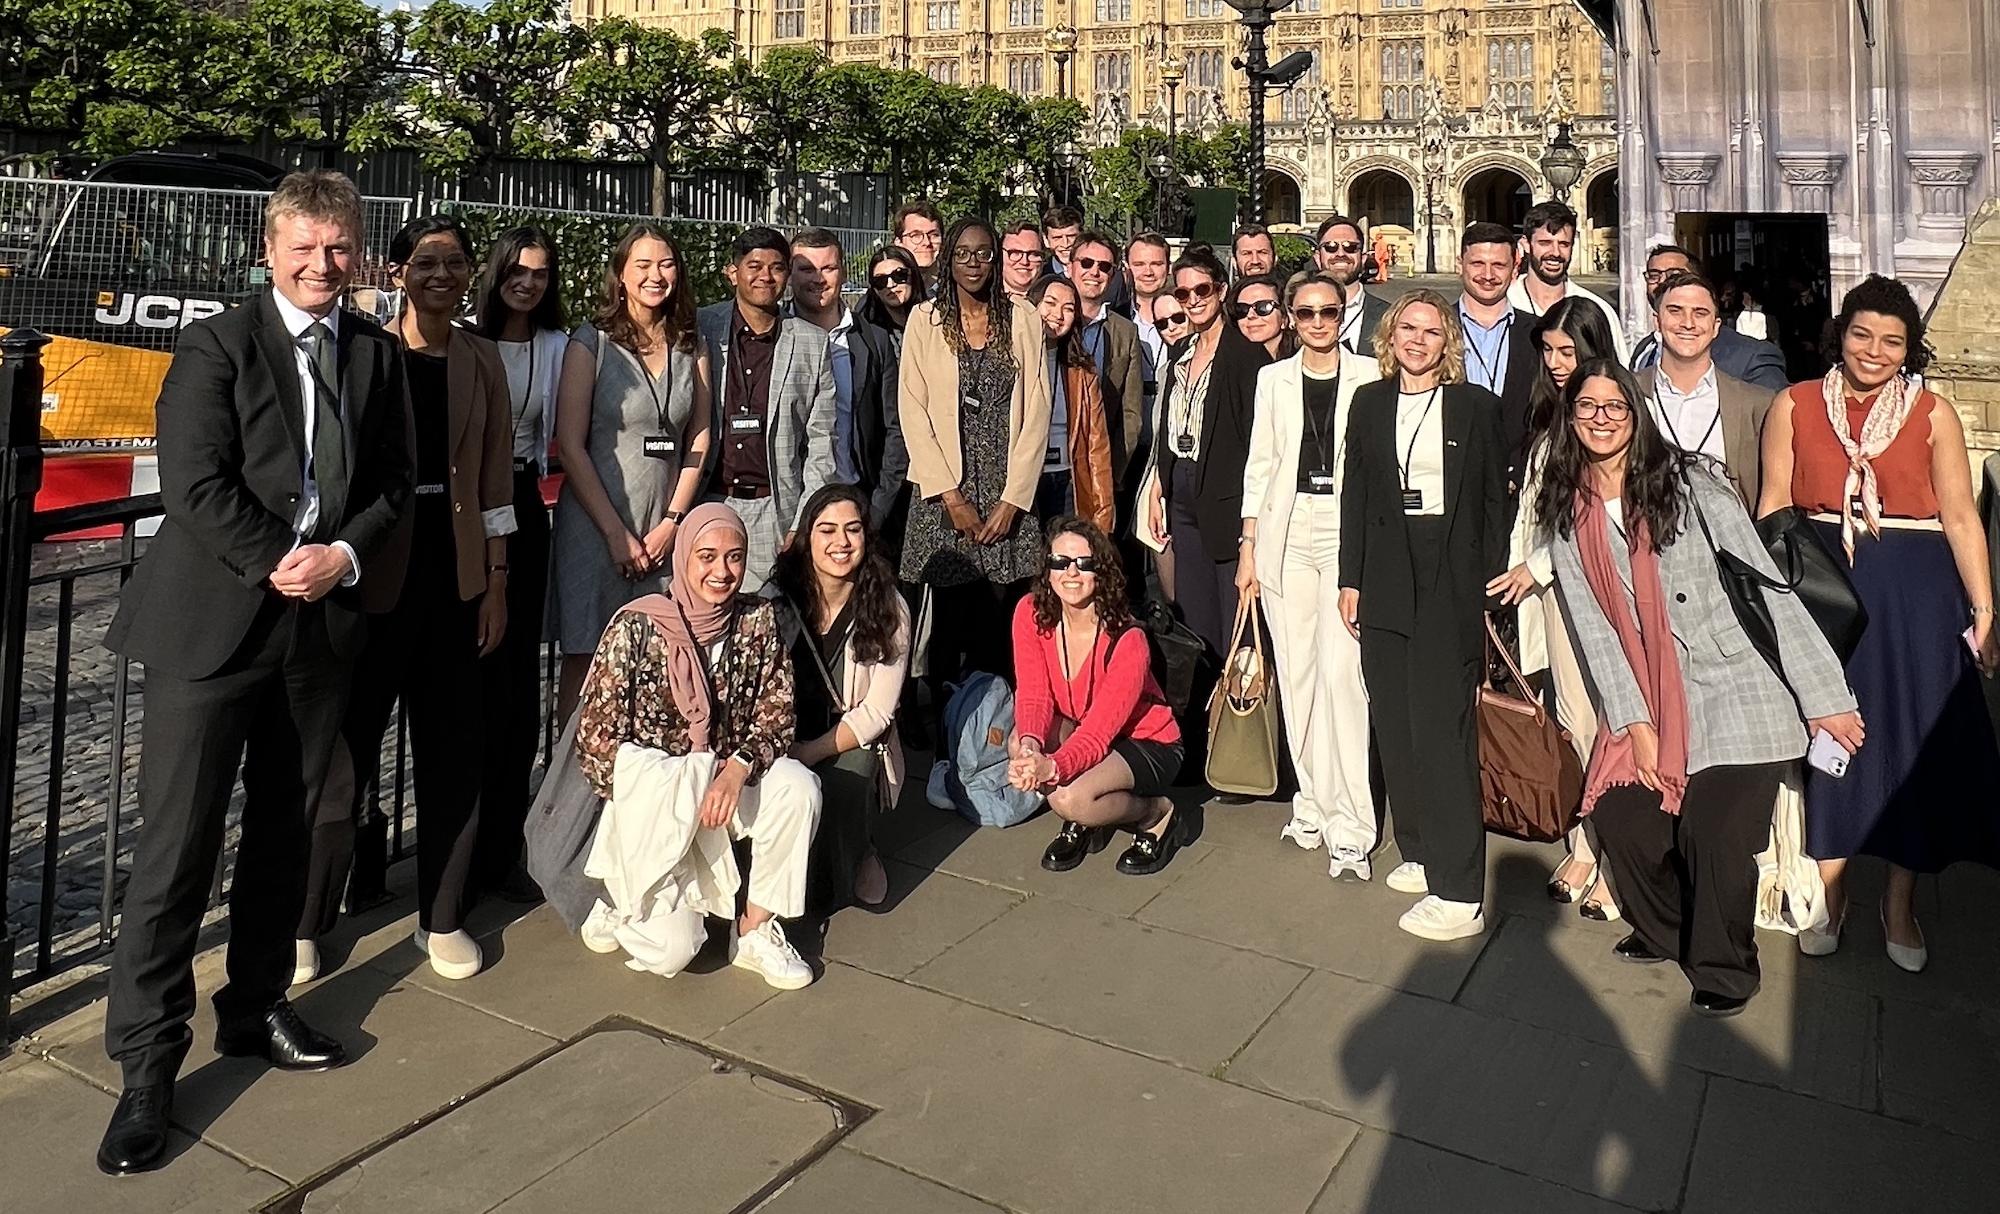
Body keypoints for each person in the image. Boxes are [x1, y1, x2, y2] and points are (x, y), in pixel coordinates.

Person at [97, 170, 411, 1176]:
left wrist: (344, 556)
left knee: (286, 832)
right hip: (212, 631)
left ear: (358, 250)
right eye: (305, 247)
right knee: (175, 850)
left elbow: (394, 480)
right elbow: (192, 478)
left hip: (315, 635)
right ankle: (147, 1062)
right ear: (271, 249)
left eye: (340, 247)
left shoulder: (372, 351)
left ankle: (255, 1004)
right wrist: (285, 556)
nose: (323, 265)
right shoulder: (216, 342)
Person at [1539, 360, 1862, 1017]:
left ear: (1636, 414)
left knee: (1711, 830)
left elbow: (1765, 589)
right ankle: (1674, 932)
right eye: (1588, 408)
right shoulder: (1566, 510)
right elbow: (1599, 636)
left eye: (1615, 407)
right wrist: (1638, 726)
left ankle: (1725, 968)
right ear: (1571, 420)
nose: (1602, 419)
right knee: (1621, 819)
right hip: (1654, 698)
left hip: (1736, 687)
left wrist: (1828, 697)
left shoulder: (1692, 484)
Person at [1759, 275, 2000, 973]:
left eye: (1892, 340)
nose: (1875, 350)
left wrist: (1985, 612)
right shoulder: (1795, 403)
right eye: (1862, 334)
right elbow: (1775, 508)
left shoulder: (1933, 414)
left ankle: (1900, 902)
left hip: (1918, 595)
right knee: (1829, 735)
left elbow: (1959, 517)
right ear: (1841, 334)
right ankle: (1832, 894)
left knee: (1907, 745)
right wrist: (1769, 604)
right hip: (1824, 588)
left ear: (1908, 350)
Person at [297, 213, 514, 981]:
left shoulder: (482, 358)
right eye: (426, 261)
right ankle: (306, 921)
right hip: (368, 582)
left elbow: (495, 480)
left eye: (456, 263)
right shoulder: (365, 352)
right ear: (397, 272)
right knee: (339, 763)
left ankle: (441, 914)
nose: (443, 274)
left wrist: (495, 579)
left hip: (453, 583)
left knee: (455, 754)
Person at [573, 503, 821, 989]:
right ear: (683, 558)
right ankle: (620, 907)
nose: (721, 572)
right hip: (657, 808)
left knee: (797, 786)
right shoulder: (637, 627)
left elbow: (778, 711)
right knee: (673, 951)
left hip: (724, 794)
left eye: (734, 557)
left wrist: (735, 770)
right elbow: (596, 744)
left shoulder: (757, 622)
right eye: (706, 556)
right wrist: (682, 782)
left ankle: (754, 929)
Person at [1337, 289, 1509, 941]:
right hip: (1384, 571)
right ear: (1390, 337)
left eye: (1431, 331)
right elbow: (1355, 490)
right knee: (1396, 719)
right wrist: (1350, 576)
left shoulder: (1475, 407)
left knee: (1442, 728)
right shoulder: (1369, 402)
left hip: (1449, 574)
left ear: (1448, 343)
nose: (1417, 340)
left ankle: (1460, 891)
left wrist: (1486, 585)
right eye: (1407, 328)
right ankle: (1419, 846)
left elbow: (1495, 502)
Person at [1239, 272, 1383, 878]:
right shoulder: (1272, 379)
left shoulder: (1371, 377)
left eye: (1328, 311)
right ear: (1292, 318)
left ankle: (1353, 824)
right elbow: (1261, 462)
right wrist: (1249, 547)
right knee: (1296, 674)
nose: (1318, 321)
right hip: (1286, 530)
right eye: (1307, 312)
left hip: (1345, 531)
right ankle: (1313, 802)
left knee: (1344, 677)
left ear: (1343, 313)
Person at [1488, 298, 1622, 920]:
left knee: (1606, 723)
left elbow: (1600, 516)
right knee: (1572, 721)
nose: (1558, 362)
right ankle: (1584, 843)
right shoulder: (1551, 415)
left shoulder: (1606, 417)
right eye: (1549, 350)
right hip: (1549, 597)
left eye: (1570, 350)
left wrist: (1534, 568)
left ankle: (1612, 858)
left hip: (1595, 593)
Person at [551, 224, 712, 723]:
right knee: (586, 657)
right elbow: (572, 447)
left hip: (664, 529)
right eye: (642, 265)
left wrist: (672, 522)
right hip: (596, 528)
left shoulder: (693, 344)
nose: (655, 275)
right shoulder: (591, 343)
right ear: (620, 276)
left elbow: (700, 439)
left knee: (659, 657)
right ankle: (569, 788)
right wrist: (617, 535)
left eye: (665, 264)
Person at [899, 217, 1053, 728]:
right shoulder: (924, 320)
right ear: (949, 260)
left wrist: (1014, 499)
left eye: (984, 254)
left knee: (1008, 622)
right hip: (946, 493)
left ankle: (1004, 734)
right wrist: (951, 497)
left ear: (997, 259)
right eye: (963, 253)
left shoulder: (1025, 319)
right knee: (946, 622)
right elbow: (912, 409)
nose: (973, 263)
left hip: (1008, 488)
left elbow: (1038, 407)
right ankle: (945, 741)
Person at [469, 224, 568, 903]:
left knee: (515, 691)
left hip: (524, 509)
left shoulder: (556, 348)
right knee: (462, 684)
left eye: (540, 272)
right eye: (518, 269)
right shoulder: (466, 342)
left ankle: (505, 847)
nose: (528, 280)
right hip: (461, 513)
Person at [1009, 518, 1190, 874]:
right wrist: (1031, 747)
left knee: (1069, 797)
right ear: (1047, 570)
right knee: (1019, 743)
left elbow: (1098, 733)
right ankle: (1089, 817)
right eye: (1060, 562)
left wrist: (1054, 767)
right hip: (1083, 729)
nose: (1071, 573)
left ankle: (1155, 813)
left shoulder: (1128, 639)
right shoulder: (1030, 613)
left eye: (1084, 563)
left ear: (1101, 572)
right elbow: (1032, 695)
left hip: (1146, 741)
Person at [772, 485, 910, 915]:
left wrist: (809, 752)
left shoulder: (889, 607)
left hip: (849, 734)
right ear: (806, 537)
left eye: (853, 530)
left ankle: (862, 850)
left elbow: (877, 712)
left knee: (848, 776)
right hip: (784, 727)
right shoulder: (778, 599)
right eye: (827, 530)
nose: (841, 542)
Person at [697, 226, 838, 595]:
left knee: (772, 627)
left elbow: (821, 444)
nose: (765, 276)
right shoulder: (700, 328)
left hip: (775, 511)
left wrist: (803, 520)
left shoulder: (812, 343)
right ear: (733, 272)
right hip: (707, 500)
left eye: (777, 268)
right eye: (754, 266)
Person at [1148, 247, 1275, 657]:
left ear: (1220, 291)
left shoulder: (1246, 356)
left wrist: (1251, 530)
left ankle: (1236, 713)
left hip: (1227, 502)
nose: (1194, 300)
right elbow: (1167, 430)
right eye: (1183, 294)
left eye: (1202, 289)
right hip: (1181, 498)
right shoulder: (1180, 352)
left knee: (1234, 621)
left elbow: (1257, 443)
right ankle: (1200, 709)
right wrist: (1157, 488)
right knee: (1193, 619)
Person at [788, 228, 905, 534]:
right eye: (806, 269)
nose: (818, 279)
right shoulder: (774, 337)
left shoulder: (874, 340)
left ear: (842, 271)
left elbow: (895, 429)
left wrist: (877, 509)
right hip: (789, 506)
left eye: (828, 268)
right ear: (790, 273)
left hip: (857, 499)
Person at [1636, 269, 1770, 505]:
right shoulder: (1627, 392)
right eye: (1675, 311)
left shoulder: (1756, 404)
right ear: (1656, 321)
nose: (1688, 323)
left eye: (1700, 313)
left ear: (1716, 326)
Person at [1630, 245, 1789, 391]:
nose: (1662, 281)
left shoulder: (1752, 358)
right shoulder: (1644, 350)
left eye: (1675, 274)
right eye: (1654, 275)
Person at [1028, 273, 1116, 531]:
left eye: (1068, 308)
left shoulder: (1082, 370)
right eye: (1050, 303)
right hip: (1024, 482)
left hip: (1066, 479)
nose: (1058, 314)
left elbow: (1097, 446)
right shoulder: (1010, 359)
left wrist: (1103, 513)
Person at [1455, 221, 1541, 469]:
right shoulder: (1436, 329)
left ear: (1515, 270)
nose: (1488, 275)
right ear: (1460, 265)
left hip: (1520, 479)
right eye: (1478, 264)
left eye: (1499, 265)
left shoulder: (1539, 333)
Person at [1067, 231, 1148, 486]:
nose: (1094, 272)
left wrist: (1110, 474)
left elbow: (1130, 413)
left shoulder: (1126, 332)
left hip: (1096, 471)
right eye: (1086, 263)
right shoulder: (1046, 321)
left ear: (1112, 275)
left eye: (1104, 267)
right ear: (1070, 268)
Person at [1508, 200, 1627, 362]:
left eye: (1564, 244)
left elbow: (1618, 373)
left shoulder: (1596, 308)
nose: (1555, 253)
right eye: (1545, 243)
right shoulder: (1506, 304)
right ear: (1526, 245)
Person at [1312, 215, 1389, 354]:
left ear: (1363, 258)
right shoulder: (1298, 314)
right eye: (1330, 247)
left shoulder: (1389, 315)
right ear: (1318, 258)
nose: (1340, 253)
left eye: (1351, 247)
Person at [860, 244, 923, 354]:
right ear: (874, 288)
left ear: (912, 275)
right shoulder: (867, 332)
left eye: (899, 275)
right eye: (880, 280)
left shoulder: (934, 319)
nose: (890, 285)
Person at [1230, 273, 1291, 361]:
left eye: (1263, 307)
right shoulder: (1229, 363)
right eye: (1242, 309)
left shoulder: (1303, 362)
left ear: (1284, 317)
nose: (1251, 315)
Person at [893, 199, 944, 289]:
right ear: (899, 243)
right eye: (915, 235)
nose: (926, 242)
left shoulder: (954, 291)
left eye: (934, 235)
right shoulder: (888, 292)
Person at [1001, 220, 1049, 301]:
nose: (1024, 262)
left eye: (1033, 254)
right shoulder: (982, 302)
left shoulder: (1053, 301)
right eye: (1015, 253)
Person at [1043, 204, 1084, 275]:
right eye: (1057, 238)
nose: (1065, 244)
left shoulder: (1098, 270)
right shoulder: (1039, 276)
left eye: (1071, 236)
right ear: (1046, 240)